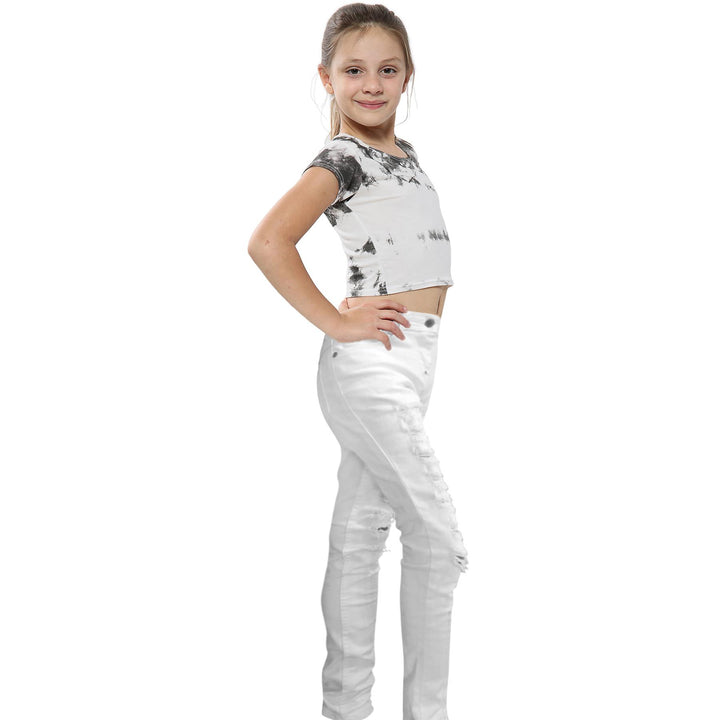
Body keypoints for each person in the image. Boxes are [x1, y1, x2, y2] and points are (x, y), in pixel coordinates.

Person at [248, 4, 468, 719]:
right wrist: (338, 321)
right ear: (327, 78)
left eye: (387, 69)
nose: (371, 84)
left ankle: (345, 709)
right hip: (370, 365)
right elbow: (268, 242)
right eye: (353, 70)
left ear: (408, 76)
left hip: (412, 359)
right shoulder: (340, 160)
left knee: (361, 531)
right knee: (437, 537)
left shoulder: (404, 156)